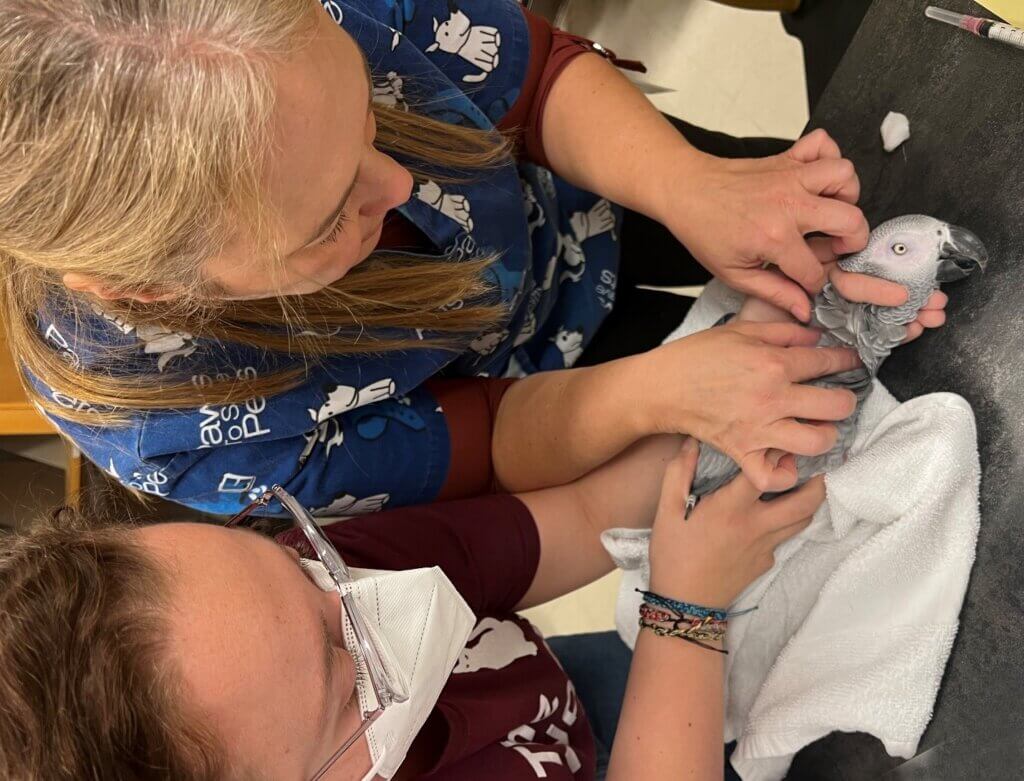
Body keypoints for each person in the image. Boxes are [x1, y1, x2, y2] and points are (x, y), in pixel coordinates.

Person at [0, 0, 947, 518]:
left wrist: (690, 184)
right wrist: (664, 390)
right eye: (332, 216)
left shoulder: (269, 26)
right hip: (546, 386)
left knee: (847, 228)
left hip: (582, 175)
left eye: (374, 118)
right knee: (808, 402)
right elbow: (483, 441)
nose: (400, 185)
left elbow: (528, 77)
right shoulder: (175, 431)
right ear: (157, 289)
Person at [0, 430, 824, 780]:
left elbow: (576, 518)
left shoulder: (313, 589)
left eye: (299, 567)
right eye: (339, 673)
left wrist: (725, 425)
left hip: (564, 698)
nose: (363, 597)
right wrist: (684, 613)